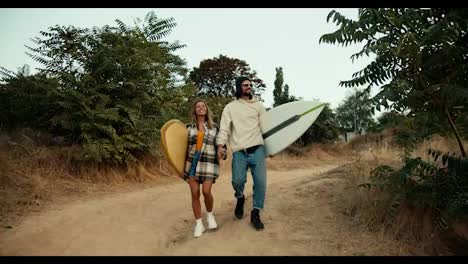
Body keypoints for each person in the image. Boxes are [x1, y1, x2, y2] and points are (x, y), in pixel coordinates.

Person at [217, 76, 268, 231]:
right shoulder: (230, 107)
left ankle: (256, 213)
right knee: (237, 181)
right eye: (245, 85)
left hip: (257, 150)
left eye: (250, 85)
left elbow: (266, 128)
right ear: (239, 87)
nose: (249, 87)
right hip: (239, 151)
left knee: (261, 184)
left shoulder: (259, 106)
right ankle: (240, 197)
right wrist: (221, 144)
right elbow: (224, 129)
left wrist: (271, 148)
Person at [184, 99, 220, 237]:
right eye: (198, 106)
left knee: (206, 191)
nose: (200, 108)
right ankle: (199, 224)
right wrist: (179, 167)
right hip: (192, 162)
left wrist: (221, 152)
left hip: (208, 161)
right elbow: (182, 148)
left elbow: (220, 144)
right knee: (194, 194)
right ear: (194, 110)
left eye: (203, 106)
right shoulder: (188, 128)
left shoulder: (214, 127)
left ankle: (210, 215)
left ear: (206, 109)